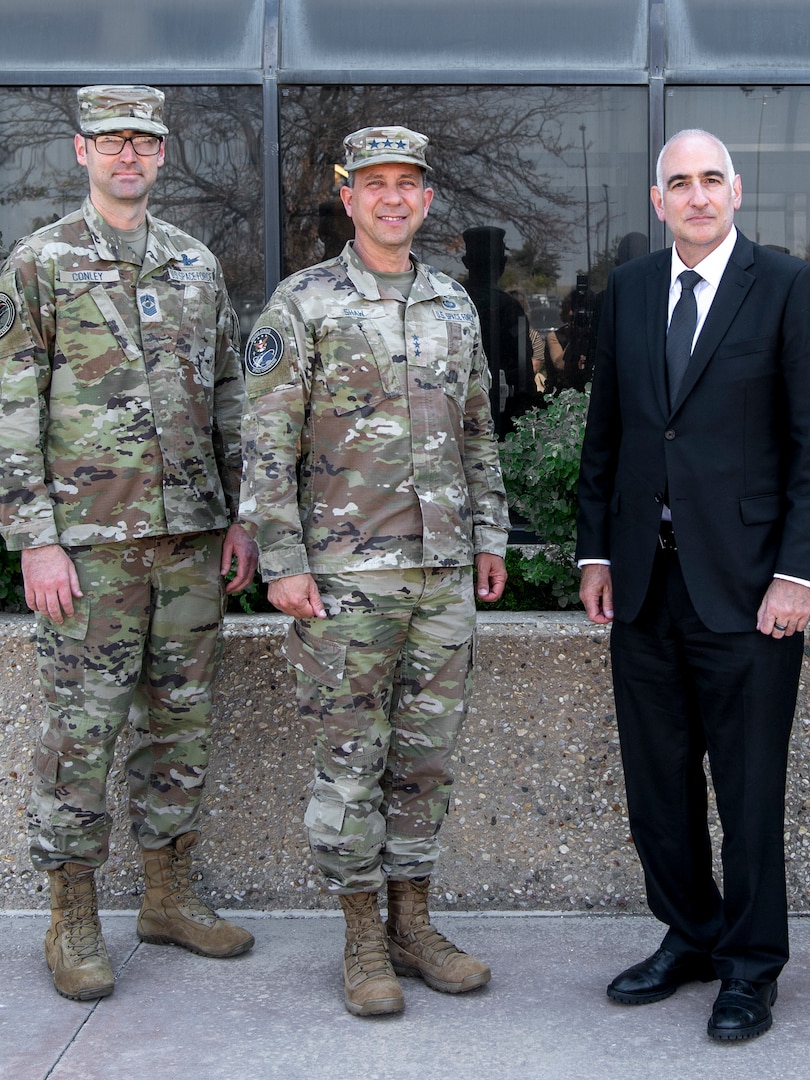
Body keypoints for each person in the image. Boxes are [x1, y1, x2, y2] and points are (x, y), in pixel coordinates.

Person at [0, 84, 257, 1002]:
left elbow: (225, 394)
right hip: (89, 551)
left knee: (180, 725)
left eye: (143, 141)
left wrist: (242, 513)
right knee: (82, 733)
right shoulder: (40, 263)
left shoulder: (194, 264)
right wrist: (35, 541)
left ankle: (168, 896)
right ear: (80, 151)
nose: (128, 155)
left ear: (164, 155)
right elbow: (8, 414)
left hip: (188, 544)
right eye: (111, 141)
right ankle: (71, 916)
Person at [575, 129, 810, 1041]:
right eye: (678, 183)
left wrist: (798, 575)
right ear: (658, 202)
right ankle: (688, 935)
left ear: (738, 192)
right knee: (657, 789)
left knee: (747, 788)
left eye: (711, 181)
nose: (695, 196)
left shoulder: (789, 287)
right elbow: (606, 434)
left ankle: (749, 967)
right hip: (646, 585)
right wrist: (596, 554)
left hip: (751, 591)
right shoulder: (631, 290)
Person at [239, 126, 509, 1018]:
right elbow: (267, 443)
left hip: (440, 576)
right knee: (352, 762)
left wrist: (491, 537)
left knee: (426, 762)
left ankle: (413, 922)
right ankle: (361, 935)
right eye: (375, 184)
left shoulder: (455, 306)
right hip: (347, 578)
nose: (393, 198)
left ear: (428, 201)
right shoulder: (302, 305)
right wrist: (280, 561)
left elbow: (476, 431)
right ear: (347, 196)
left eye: (409, 185)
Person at [460, 224, 534, 434]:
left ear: (467, 263)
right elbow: (523, 369)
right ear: (502, 264)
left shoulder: (452, 303)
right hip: (503, 415)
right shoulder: (509, 307)